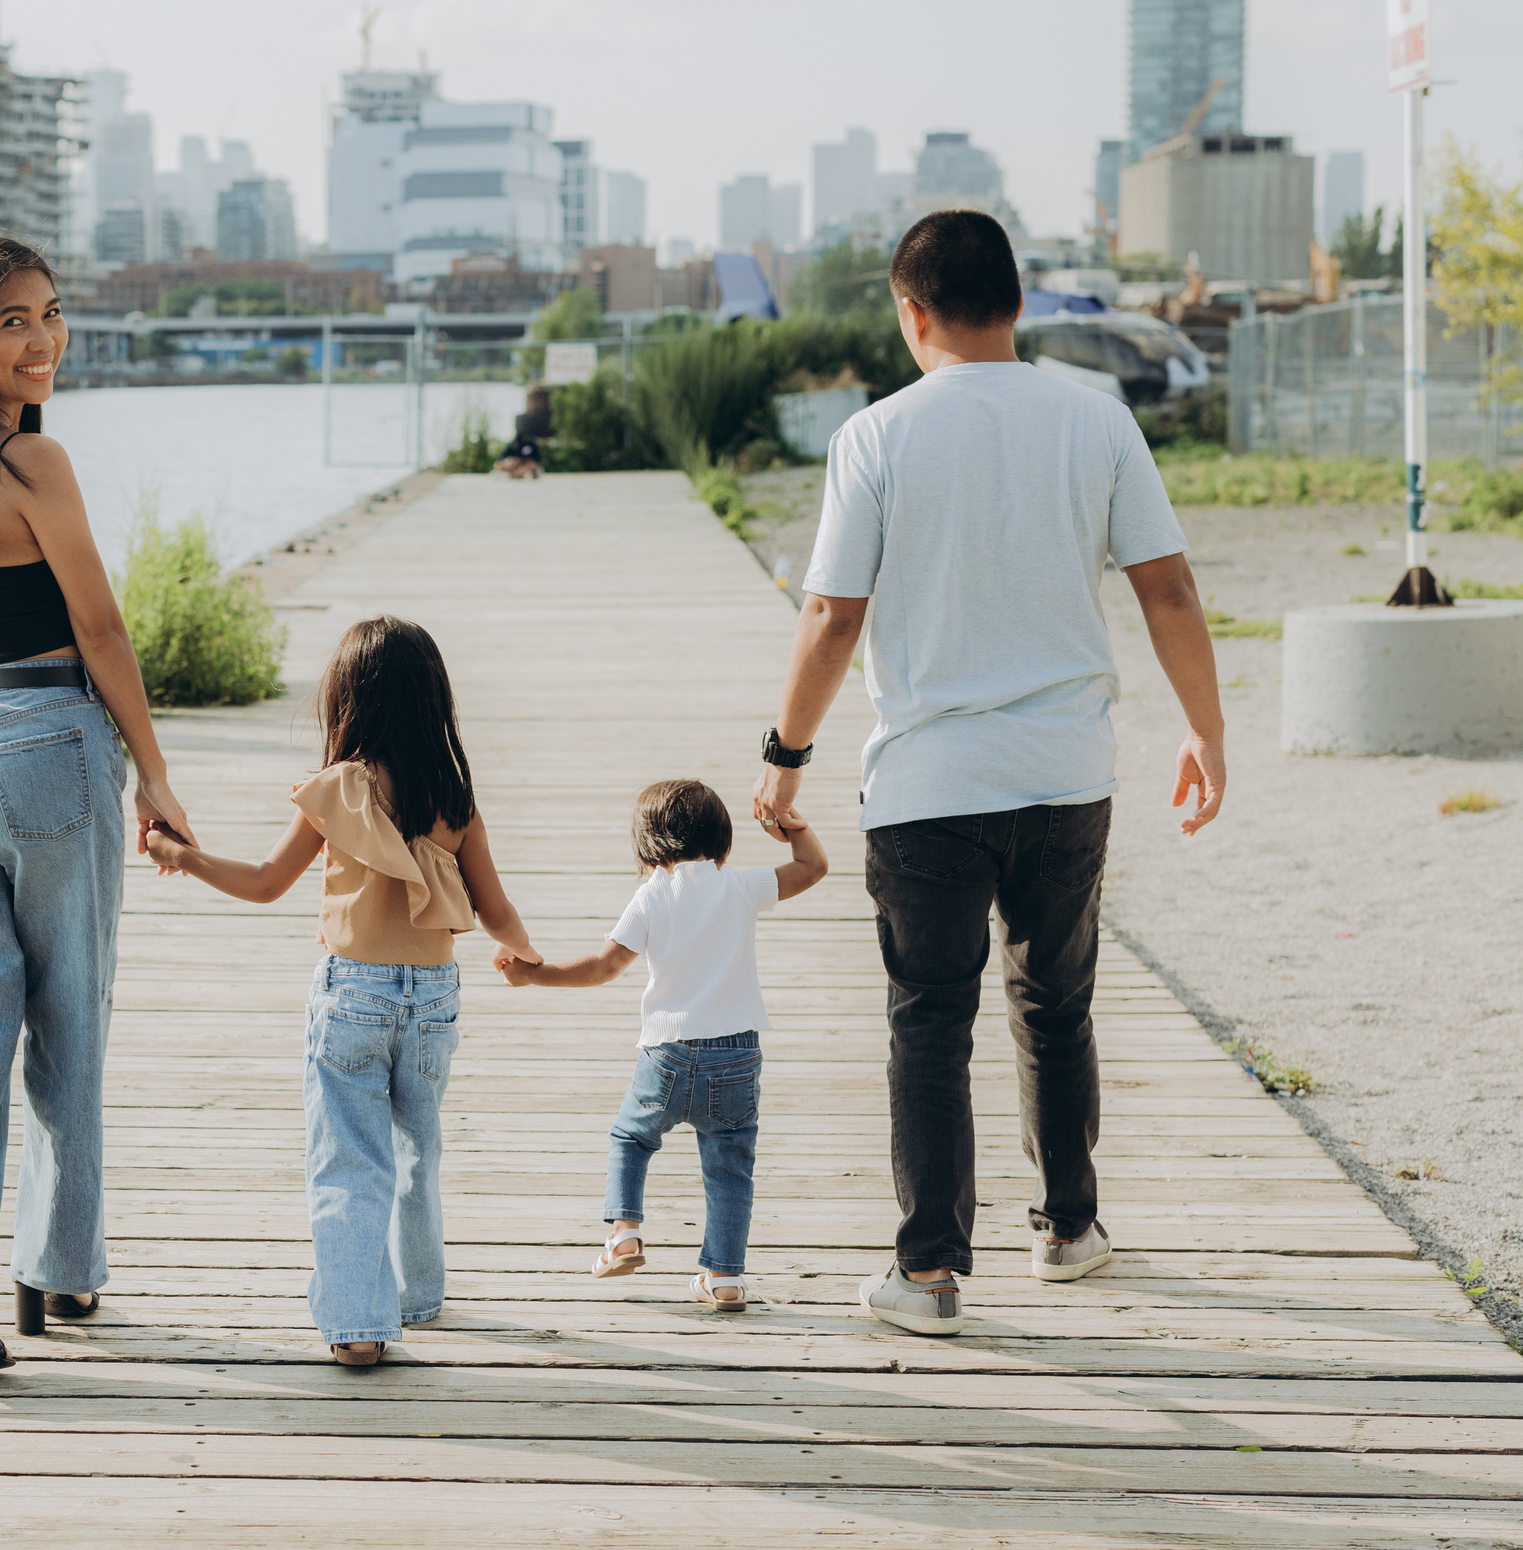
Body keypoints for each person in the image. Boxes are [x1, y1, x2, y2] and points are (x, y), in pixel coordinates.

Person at [749, 209, 1227, 1338]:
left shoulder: (875, 436)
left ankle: (928, 1277)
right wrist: (1207, 731)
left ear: (911, 314)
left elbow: (830, 615)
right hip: (1067, 773)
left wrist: (784, 759)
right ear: (1014, 302)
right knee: (1055, 1004)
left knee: (929, 1022)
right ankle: (1067, 1230)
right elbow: (1168, 589)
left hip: (927, 783)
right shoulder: (1096, 419)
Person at [0, 233, 195, 1377]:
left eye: (51, 314)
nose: (43, 340)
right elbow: (101, 628)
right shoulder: (33, 467)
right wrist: (152, 775)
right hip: (44, 741)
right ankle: (56, 1269)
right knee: (69, 1014)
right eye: (13, 320)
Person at [142, 616, 539, 1366]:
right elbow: (496, 911)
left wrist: (179, 853)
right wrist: (526, 956)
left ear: (348, 700)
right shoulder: (455, 799)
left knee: (349, 1158)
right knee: (417, 1145)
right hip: (433, 999)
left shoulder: (337, 791)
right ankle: (416, 1294)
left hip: (352, 992)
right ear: (433, 701)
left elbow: (263, 884)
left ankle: (359, 1323)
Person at [498, 781, 827, 1309]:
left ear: (647, 844)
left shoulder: (651, 895)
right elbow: (813, 868)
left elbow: (603, 966)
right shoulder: (741, 886)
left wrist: (535, 975)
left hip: (667, 1053)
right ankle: (724, 1279)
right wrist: (792, 825)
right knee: (729, 1164)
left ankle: (624, 1234)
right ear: (723, 840)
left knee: (631, 1139)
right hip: (736, 1054)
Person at [494, 385, 554, 479]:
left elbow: (535, 457)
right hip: (519, 461)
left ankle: (518, 473)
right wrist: (512, 461)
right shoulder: (522, 421)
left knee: (528, 467)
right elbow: (504, 454)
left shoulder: (547, 419)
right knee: (502, 465)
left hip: (528, 462)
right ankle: (514, 472)